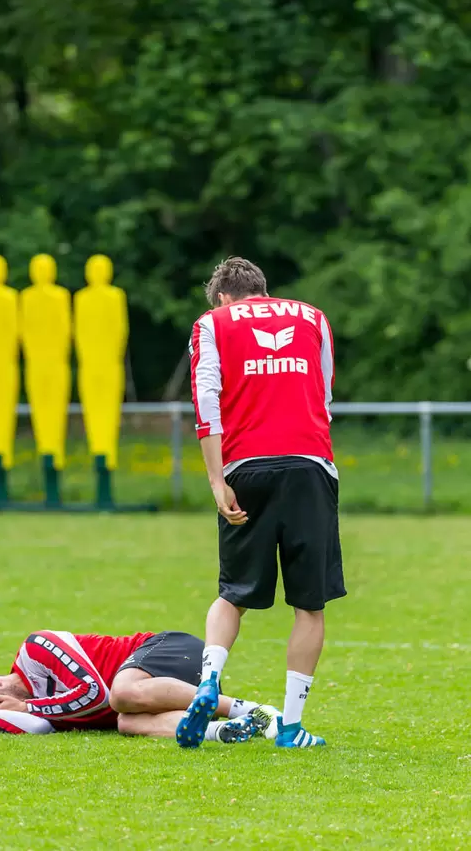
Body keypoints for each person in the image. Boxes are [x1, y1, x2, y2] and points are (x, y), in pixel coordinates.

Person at [177, 257, 346, 750]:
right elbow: (325, 394)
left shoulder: (211, 324)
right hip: (310, 465)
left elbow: (206, 402)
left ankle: (209, 680)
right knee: (309, 606)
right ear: (261, 291)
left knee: (233, 593)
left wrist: (216, 480)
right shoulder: (313, 318)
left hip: (245, 467)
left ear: (224, 298)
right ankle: (291, 727)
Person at [0, 628, 280, 744]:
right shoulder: (44, 710)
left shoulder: (35, 649)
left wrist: (25, 706)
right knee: (127, 722)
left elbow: (95, 693)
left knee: (120, 695)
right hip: (156, 697)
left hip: (170, 650)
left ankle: (253, 709)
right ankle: (227, 729)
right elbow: (34, 727)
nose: (5, 714)